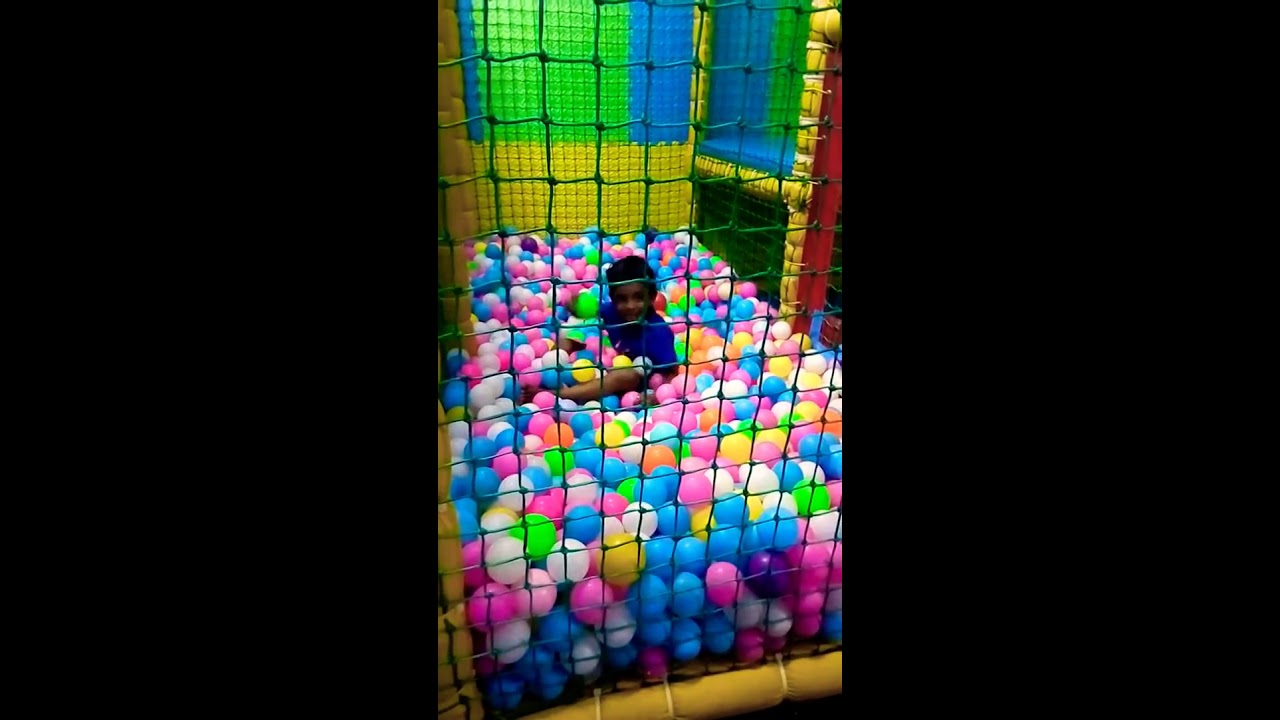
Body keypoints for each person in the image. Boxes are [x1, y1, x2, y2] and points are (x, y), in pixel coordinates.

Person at [522, 255, 677, 404]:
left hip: (639, 382)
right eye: (622, 299)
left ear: (652, 297)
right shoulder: (613, 312)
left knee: (628, 375)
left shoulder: (658, 333)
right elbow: (583, 306)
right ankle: (552, 381)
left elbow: (672, 373)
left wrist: (656, 396)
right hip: (613, 364)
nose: (630, 306)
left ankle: (558, 395)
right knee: (565, 343)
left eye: (638, 297)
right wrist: (575, 305)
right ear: (612, 298)